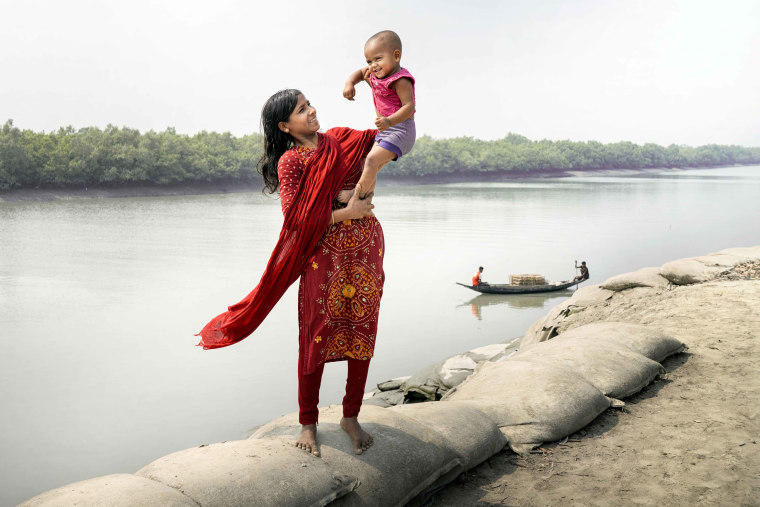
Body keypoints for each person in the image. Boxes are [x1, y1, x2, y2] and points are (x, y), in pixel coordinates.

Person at [196, 89, 383, 457]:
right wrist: (346, 212)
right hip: (322, 256)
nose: (311, 111)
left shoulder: (341, 140)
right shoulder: (291, 162)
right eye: (301, 109)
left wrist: (379, 79)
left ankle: (350, 416)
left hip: (364, 249)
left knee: (361, 326)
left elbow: (390, 135)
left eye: (309, 103)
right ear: (285, 126)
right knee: (317, 334)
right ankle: (308, 422)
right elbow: (296, 219)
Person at [343, 30, 416, 198]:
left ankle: (355, 194)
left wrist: (389, 121)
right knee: (370, 165)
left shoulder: (400, 80)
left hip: (402, 130)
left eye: (378, 59)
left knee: (371, 161)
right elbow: (360, 74)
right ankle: (365, 198)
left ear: (396, 56)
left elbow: (409, 106)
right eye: (369, 60)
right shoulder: (373, 74)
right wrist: (349, 83)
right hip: (386, 130)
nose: (373, 65)